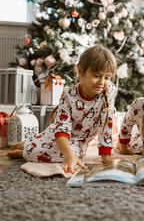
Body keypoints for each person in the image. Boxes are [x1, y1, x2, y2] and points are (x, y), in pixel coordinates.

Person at [7, 44, 117, 173]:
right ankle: (28, 148)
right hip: (60, 133)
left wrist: (106, 156)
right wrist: (68, 156)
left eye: (107, 78)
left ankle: (28, 148)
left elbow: (106, 124)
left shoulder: (108, 92)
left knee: (74, 153)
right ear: (81, 71)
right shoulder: (68, 95)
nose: (102, 82)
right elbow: (61, 128)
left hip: (79, 141)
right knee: (61, 152)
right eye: (97, 75)